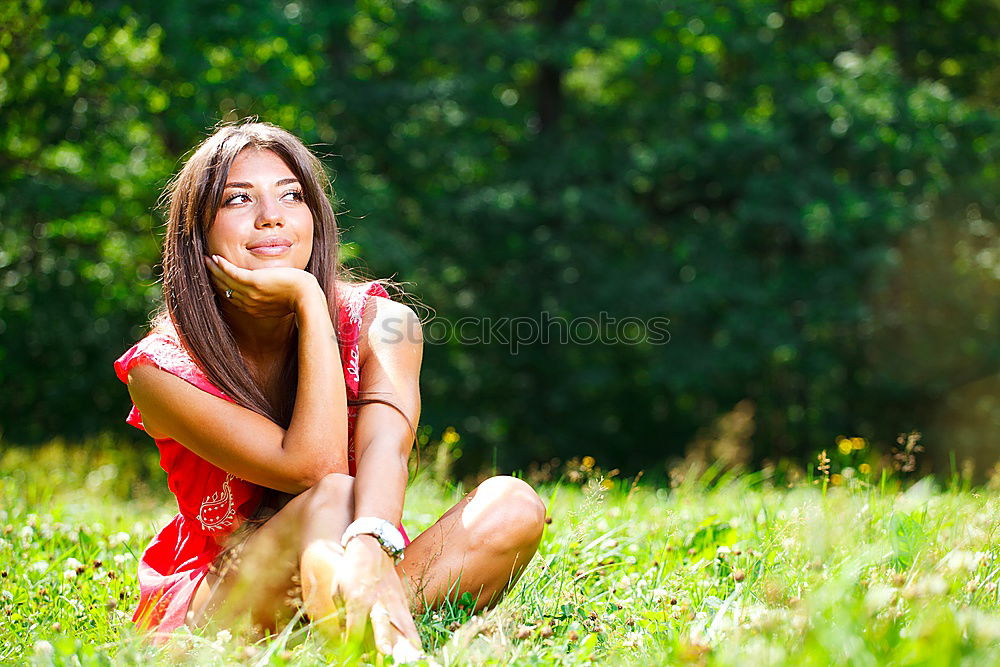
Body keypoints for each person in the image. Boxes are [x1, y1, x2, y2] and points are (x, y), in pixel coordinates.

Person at [113, 121, 546, 660]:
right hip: (231, 591)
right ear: (197, 233)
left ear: (314, 218)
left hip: (355, 550)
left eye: (291, 195)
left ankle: (350, 613)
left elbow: (383, 449)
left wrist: (368, 544)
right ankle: (373, 632)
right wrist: (307, 299)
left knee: (513, 504)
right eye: (237, 199)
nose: (270, 215)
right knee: (336, 493)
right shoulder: (161, 370)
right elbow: (316, 469)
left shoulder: (386, 324)